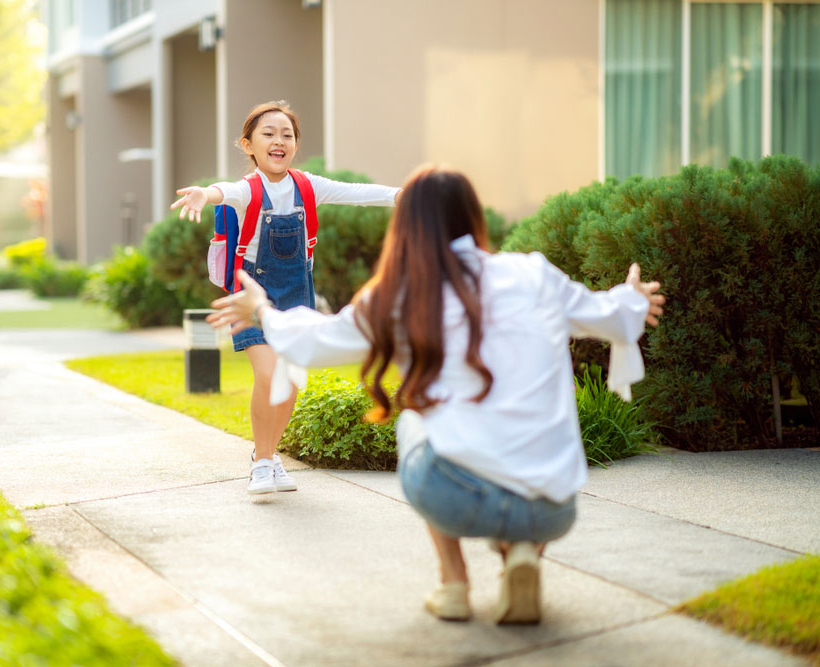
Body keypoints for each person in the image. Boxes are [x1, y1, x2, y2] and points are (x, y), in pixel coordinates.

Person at [205, 165, 665, 624]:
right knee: (522, 454)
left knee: (414, 420)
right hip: (554, 508)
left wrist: (263, 309)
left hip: (455, 495)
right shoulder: (533, 274)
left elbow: (318, 339)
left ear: (408, 225)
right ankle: (522, 554)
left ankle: (455, 584)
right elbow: (610, 313)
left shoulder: (402, 292)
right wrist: (632, 298)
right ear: (472, 217)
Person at [171, 101, 400, 496]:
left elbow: (357, 193)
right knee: (268, 374)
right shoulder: (247, 190)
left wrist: (403, 194)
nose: (279, 141)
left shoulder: (308, 186)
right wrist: (203, 195)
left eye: (287, 135)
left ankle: (271, 454)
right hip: (250, 295)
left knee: (290, 382)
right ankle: (261, 463)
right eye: (268, 134)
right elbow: (222, 191)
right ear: (249, 145)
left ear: (295, 144)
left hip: (297, 296)